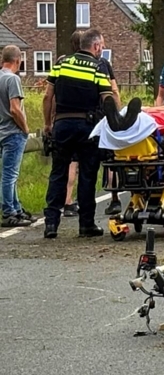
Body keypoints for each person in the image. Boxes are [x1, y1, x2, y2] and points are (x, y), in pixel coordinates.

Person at [41, 28, 114, 238]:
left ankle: (51, 224)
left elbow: (48, 97)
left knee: (58, 173)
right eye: (101, 46)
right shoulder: (97, 67)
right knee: (87, 175)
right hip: (87, 127)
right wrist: (116, 122)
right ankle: (86, 224)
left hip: (62, 124)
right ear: (96, 46)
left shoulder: (61, 64)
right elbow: (107, 98)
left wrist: (48, 124)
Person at [0, 45, 33, 227]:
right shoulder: (12, 79)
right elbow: (15, 108)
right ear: (18, 60)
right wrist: (25, 128)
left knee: (8, 174)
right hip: (13, 132)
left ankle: (16, 207)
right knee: (10, 175)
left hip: (1, 131)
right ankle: (9, 212)